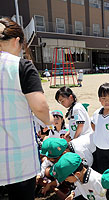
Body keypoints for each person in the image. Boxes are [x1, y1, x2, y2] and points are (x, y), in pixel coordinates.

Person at [0, 17, 53, 200]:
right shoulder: (21, 66)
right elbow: (40, 107)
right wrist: (49, 121)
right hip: (18, 158)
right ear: (17, 41)